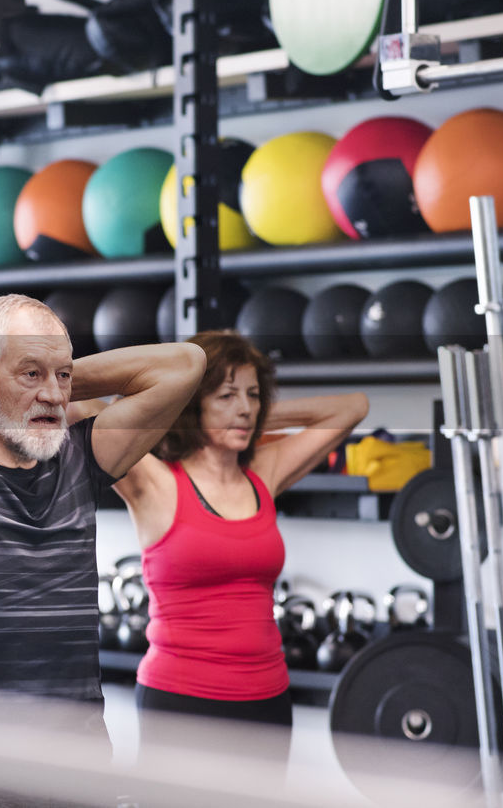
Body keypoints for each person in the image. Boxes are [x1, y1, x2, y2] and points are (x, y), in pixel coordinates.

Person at [0, 295, 205, 808]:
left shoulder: (74, 457)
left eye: (62, 376)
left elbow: (186, 364)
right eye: (29, 373)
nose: (55, 394)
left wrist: (41, 378)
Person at [109, 330, 368, 771]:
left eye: (252, 395)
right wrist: (183, 401)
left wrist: (249, 413)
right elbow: (94, 412)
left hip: (265, 699)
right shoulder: (156, 481)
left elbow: (352, 407)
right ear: (194, 402)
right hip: (180, 701)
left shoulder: (262, 473)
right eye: (226, 395)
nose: (244, 408)